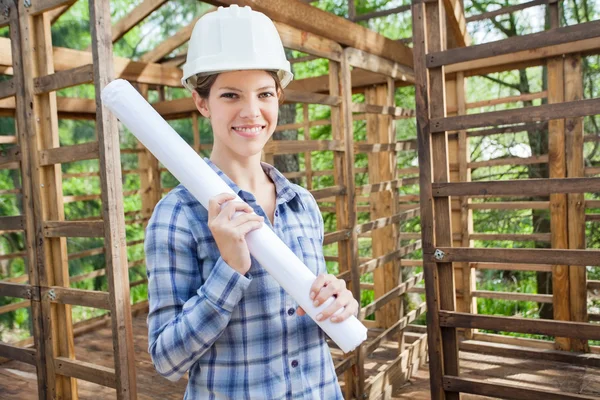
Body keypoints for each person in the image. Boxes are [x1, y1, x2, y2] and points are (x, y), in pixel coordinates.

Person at [145, 5, 359, 399]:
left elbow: (308, 313)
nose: (251, 111)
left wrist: (339, 304)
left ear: (278, 97)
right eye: (230, 95)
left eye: (264, 94)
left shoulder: (302, 204)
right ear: (202, 102)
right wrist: (229, 270)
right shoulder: (177, 215)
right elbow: (166, 359)